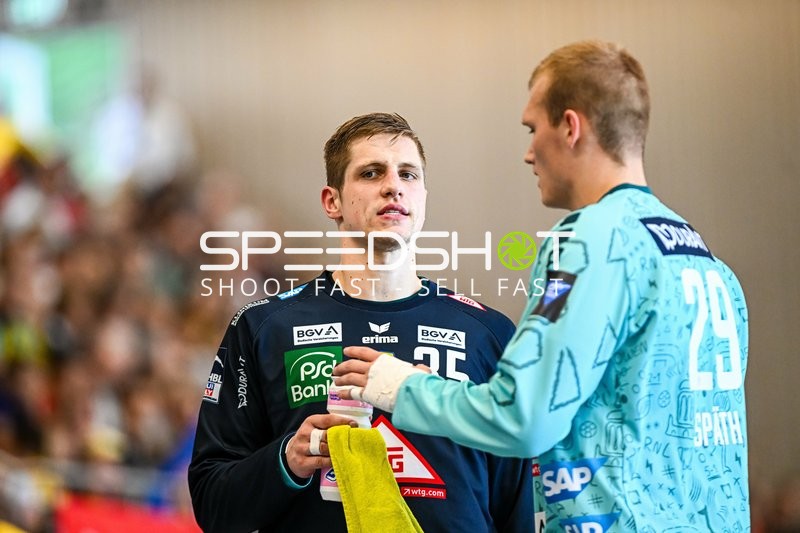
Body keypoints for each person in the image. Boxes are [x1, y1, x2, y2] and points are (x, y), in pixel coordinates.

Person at [334, 41, 750, 532]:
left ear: (570, 127)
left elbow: (525, 416)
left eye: (533, 129)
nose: (529, 153)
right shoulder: (707, 263)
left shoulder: (586, 240)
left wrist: (401, 386)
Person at [188, 113, 533, 532]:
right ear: (332, 202)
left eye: (408, 174)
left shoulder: (489, 334)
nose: (393, 185)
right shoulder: (264, 327)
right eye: (371, 173)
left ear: (423, 197)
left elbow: (521, 507)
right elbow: (212, 503)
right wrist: (287, 458)